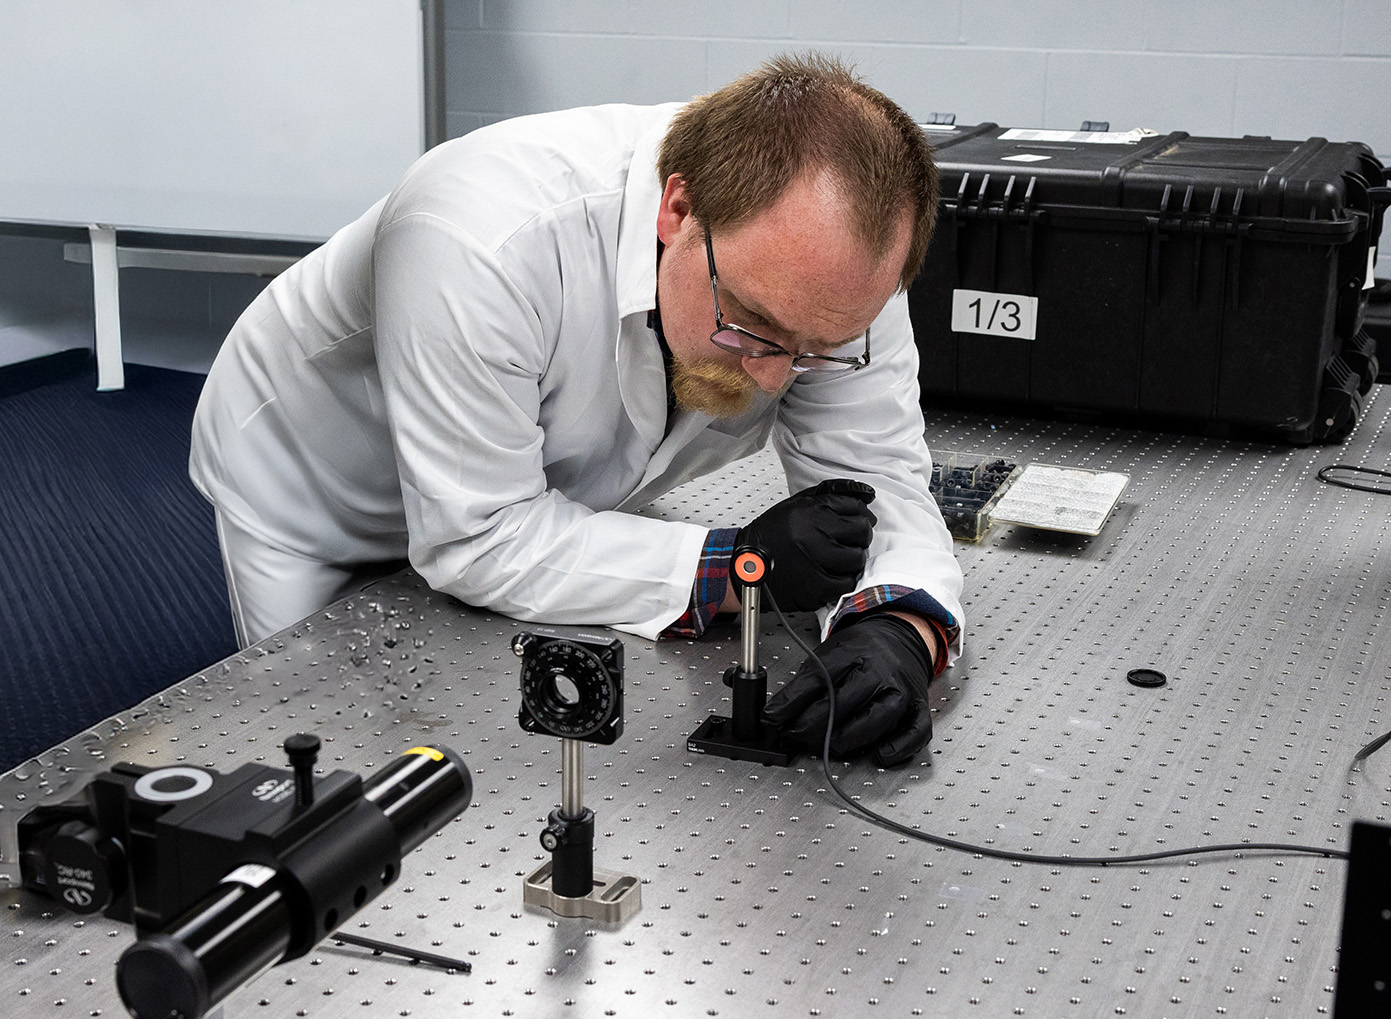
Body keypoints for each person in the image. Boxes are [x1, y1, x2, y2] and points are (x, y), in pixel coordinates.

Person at [190, 52, 964, 765]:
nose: (771, 377)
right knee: (327, 764)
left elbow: (881, 480)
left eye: (812, 348)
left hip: (544, 485)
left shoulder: (833, 281)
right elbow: (479, 536)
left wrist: (901, 623)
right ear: (678, 208)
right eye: (750, 325)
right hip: (316, 485)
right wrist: (729, 568)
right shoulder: (479, 236)